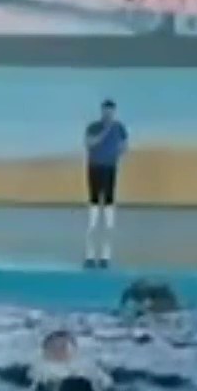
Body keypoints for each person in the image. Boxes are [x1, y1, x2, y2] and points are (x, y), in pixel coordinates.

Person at [82, 99, 129, 266]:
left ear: (114, 112)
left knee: (109, 202)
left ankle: (105, 257)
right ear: (101, 111)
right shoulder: (93, 126)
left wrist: (116, 153)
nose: (108, 114)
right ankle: (89, 256)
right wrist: (105, 132)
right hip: (95, 168)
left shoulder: (120, 127)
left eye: (111, 111)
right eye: (105, 111)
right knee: (94, 205)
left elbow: (124, 145)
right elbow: (89, 143)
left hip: (110, 168)